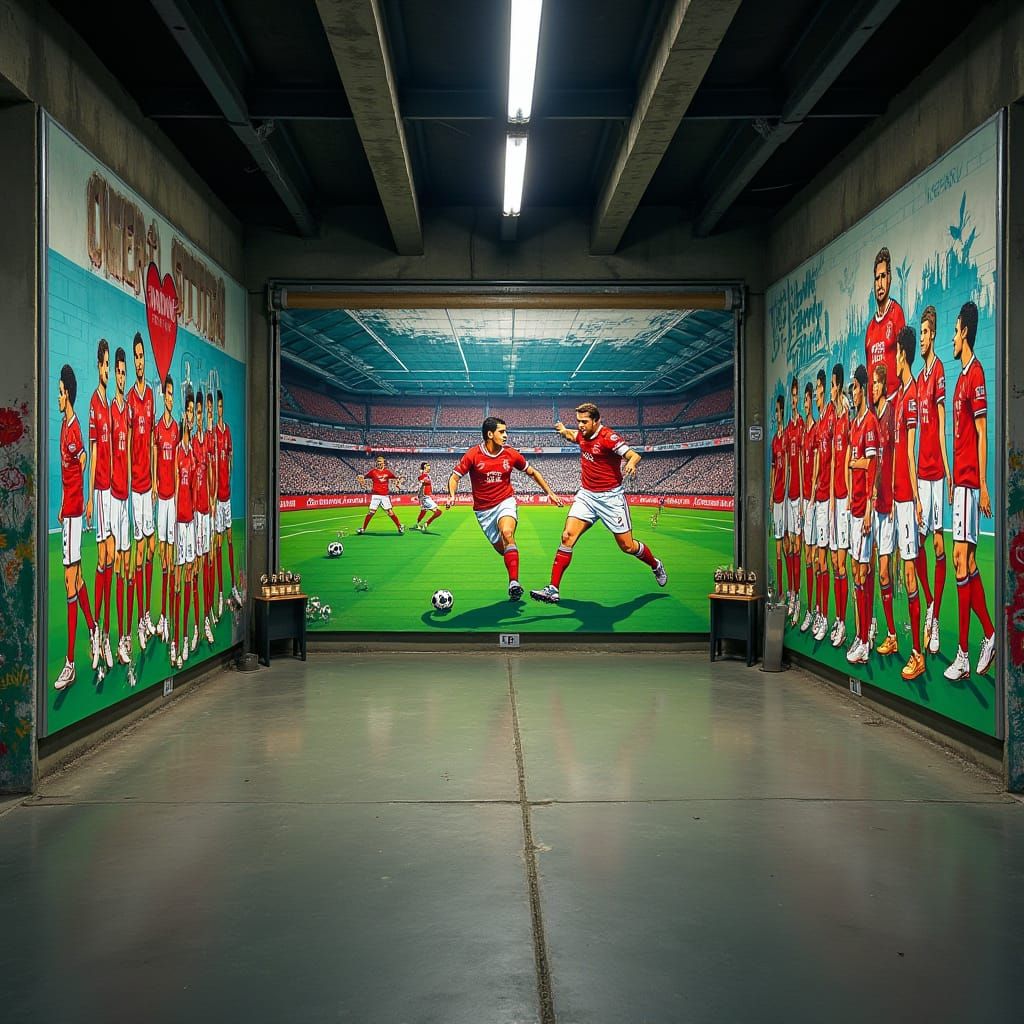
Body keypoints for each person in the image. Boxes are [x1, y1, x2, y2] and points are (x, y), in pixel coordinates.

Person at [530, 403, 664, 604]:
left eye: (584, 421)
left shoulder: (609, 438)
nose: (581, 425)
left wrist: (631, 463)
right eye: (578, 421)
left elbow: (633, 454)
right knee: (567, 537)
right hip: (587, 496)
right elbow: (572, 435)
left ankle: (655, 565)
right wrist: (563, 430)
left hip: (611, 499)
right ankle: (553, 589)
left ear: (596, 420)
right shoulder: (582, 435)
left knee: (627, 546)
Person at [447, 415, 562, 601]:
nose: (506, 435)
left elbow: (532, 472)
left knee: (507, 533)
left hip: (505, 501)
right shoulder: (473, 455)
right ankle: (513, 571)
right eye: (501, 432)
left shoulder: (511, 454)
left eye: (506, 431)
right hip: (483, 511)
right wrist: (452, 495)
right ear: (489, 434)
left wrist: (550, 493)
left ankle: (514, 583)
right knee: (504, 550)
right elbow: (454, 477)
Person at [944, 301, 996, 680]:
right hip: (959, 482)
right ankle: (988, 635)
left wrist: (982, 485)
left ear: (965, 333)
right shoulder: (962, 377)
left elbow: (982, 433)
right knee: (966, 563)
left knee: (961, 561)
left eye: (954, 330)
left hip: (969, 482)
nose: (951, 337)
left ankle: (964, 652)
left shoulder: (975, 374)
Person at [54, 364, 98, 690]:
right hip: (67, 512)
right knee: (78, 578)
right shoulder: (63, 425)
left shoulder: (74, 432)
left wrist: (78, 501)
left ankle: (70, 664)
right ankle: (94, 630)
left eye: (59, 393)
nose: (58, 397)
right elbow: (67, 470)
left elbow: (82, 459)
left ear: (67, 394)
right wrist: (63, 502)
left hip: (74, 516)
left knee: (70, 581)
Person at [915, 305, 951, 655]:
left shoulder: (938, 371)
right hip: (920, 476)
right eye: (920, 333)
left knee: (939, 545)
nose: (922, 338)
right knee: (918, 546)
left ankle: (935, 617)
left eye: (925, 333)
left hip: (937, 474)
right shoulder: (918, 378)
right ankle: (929, 602)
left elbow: (941, 426)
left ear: (933, 334)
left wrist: (948, 473)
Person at [893, 326, 925, 681]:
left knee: (910, 572)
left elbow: (910, 453)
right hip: (897, 497)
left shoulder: (912, 394)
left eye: (896, 352)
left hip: (907, 498)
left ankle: (918, 653)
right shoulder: (901, 395)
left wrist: (915, 499)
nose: (894, 358)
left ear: (903, 354)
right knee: (903, 571)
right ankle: (908, 642)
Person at [846, 365, 879, 665]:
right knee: (857, 570)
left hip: (864, 510)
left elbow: (871, 466)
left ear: (863, 388)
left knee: (862, 572)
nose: (851, 392)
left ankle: (865, 640)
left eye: (854, 387)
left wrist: (869, 509)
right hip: (854, 508)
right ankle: (862, 632)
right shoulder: (855, 424)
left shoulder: (869, 423)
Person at [127, 332, 157, 650]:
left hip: (149, 487)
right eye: (134, 357)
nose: (138, 362)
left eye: (140, 357)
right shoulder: (129, 401)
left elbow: (149, 442)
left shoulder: (149, 395)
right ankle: (139, 620)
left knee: (150, 548)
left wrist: (155, 483)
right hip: (135, 488)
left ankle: (146, 614)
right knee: (138, 551)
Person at [86, 338, 115, 677]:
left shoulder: (111, 405)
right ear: (98, 366)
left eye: (110, 365)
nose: (107, 369)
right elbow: (93, 452)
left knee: (111, 558)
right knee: (103, 557)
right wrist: (92, 496)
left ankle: (104, 632)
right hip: (102, 492)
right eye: (105, 364)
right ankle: (98, 633)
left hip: (116, 492)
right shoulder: (95, 404)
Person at [109, 347, 134, 666]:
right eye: (119, 371)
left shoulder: (127, 410)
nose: (122, 376)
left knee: (127, 566)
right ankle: (112, 638)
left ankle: (125, 636)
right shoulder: (107, 409)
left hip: (126, 497)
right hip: (111, 497)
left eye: (123, 372)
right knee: (114, 565)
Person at [871, 364, 897, 656]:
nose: (873, 388)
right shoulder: (873, 417)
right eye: (872, 384)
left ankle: (892, 634)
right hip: (874, 504)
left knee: (885, 571)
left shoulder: (890, 413)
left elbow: (895, 455)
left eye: (877, 383)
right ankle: (878, 626)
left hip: (888, 505)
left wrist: (893, 493)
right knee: (873, 571)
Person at [172, 387, 197, 669]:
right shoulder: (179, 452)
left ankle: (186, 635)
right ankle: (175, 641)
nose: (190, 419)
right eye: (188, 414)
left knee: (190, 575)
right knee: (178, 580)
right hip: (179, 523)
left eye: (192, 414)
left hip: (191, 522)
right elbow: (176, 491)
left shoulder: (192, 455)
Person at [154, 375, 179, 643]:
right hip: (161, 499)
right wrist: (154, 483)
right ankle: (163, 615)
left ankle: (167, 615)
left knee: (171, 561)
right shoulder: (158, 429)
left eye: (173, 394)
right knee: (163, 559)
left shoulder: (177, 429)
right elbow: (155, 457)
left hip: (173, 501)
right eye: (168, 394)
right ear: (163, 396)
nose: (170, 398)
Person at [810, 369, 834, 641]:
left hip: (832, 499)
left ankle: (827, 617)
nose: (816, 396)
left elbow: (836, 460)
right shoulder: (819, 425)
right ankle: (819, 612)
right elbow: (818, 460)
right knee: (818, 558)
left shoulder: (832, 418)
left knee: (829, 561)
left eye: (818, 390)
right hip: (819, 499)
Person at [828, 364, 852, 648]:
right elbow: (834, 460)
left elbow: (848, 460)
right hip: (835, 499)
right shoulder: (833, 419)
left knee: (844, 564)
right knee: (836, 562)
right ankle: (839, 620)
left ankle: (846, 624)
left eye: (833, 385)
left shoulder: (847, 417)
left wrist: (845, 497)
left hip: (847, 500)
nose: (831, 390)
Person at [865, 246, 906, 402]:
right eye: (877, 278)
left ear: (889, 278)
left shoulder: (896, 314)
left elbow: (904, 363)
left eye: (883, 277)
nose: (880, 284)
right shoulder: (870, 329)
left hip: (893, 403)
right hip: (874, 410)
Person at [213, 390, 241, 612]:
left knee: (229, 539)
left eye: (222, 406)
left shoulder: (227, 430)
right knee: (219, 544)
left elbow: (230, 455)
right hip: (216, 499)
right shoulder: (213, 433)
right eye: (218, 407)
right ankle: (221, 594)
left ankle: (233, 587)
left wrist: (229, 472)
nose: (220, 410)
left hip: (227, 495)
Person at [192, 389, 214, 647]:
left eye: (201, 413)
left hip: (206, 512)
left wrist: (212, 500)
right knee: (194, 570)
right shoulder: (189, 444)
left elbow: (211, 474)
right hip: (192, 516)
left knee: (207, 564)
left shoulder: (208, 441)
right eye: (198, 412)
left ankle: (206, 618)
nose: (199, 417)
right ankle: (197, 626)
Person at [784, 376, 804, 625]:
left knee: (800, 548)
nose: (795, 400)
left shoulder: (803, 427)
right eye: (794, 395)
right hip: (787, 497)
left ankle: (798, 598)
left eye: (798, 396)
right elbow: (788, 467)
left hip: (802, 498)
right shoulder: (789, 430)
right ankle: (791, 594)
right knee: (788, 547)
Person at [798, 380, 817, 632]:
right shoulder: (801, 431)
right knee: (806, 555)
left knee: (820, 559)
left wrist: (811, 495)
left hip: (821, 500)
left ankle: (817, 611)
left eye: (805, 398)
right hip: (803, 499)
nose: (803, 403)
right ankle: (807, 607)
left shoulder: (817, 428)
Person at [356, 455, 405, 534]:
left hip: (385, 496)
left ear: (383, 463)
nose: (379, 464)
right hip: (375, 496)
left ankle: (399, 527)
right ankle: (363, 529)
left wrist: (398, 483)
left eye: (381, 462)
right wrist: (361, 479)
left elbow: (397, 478)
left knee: (390, 512)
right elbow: (363, 478)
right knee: (371, 512)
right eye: (378, 462)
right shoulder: (373, 472)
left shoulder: (387, 472)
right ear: (376, 463)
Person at [769, 394, 787, 602]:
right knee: (778, 547)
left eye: (777, 410)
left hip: (789, 497)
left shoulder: (788, 435)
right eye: (774, 410)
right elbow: (773, 469)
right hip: (778, 497)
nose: (776, 414)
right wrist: (770, 495)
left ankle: (791, 593)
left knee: (790, 547)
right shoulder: (775, 440)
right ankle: (781, 591)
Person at [413, 461, 444, 531]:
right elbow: (420, 481)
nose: (429, 466)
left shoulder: (427, 476)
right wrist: (419, 495)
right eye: (427, 465)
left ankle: (417, 524)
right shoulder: (423, 476)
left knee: (423, 511)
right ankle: (426, 524)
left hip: (425, 497)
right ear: (424, 467)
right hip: (425, 497)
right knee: (438, 512)